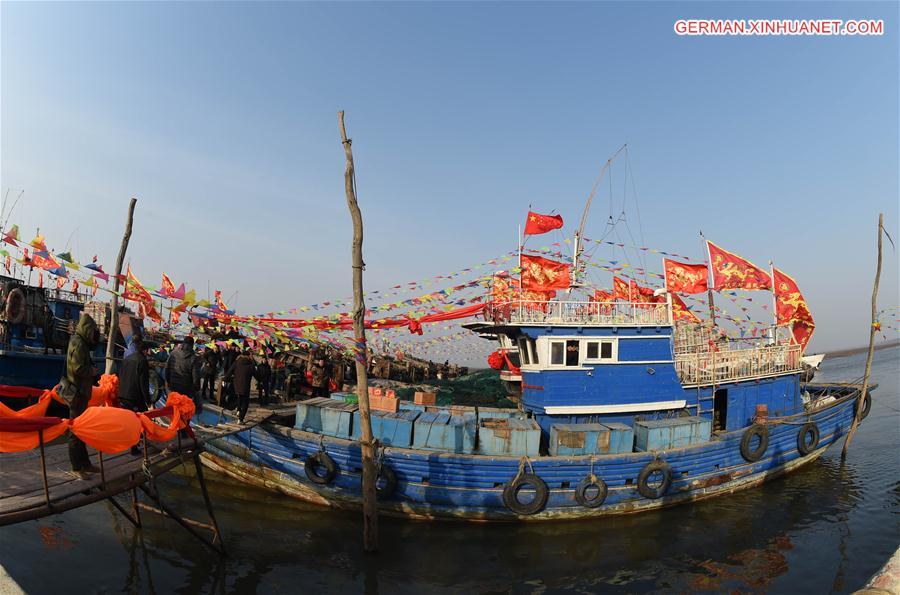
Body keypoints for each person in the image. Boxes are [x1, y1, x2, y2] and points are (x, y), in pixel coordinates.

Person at [59, 313, 101, 475]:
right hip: (77, 393)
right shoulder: (78, 343)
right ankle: (76, 467)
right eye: (91, 331)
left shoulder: (79, 341)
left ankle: (85, 463)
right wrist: (91, 370)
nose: (93, 334)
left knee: (82, 429)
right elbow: (77, 368)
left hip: (81, 392)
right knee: (75, 431)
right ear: (86, 329)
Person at [119, 337, 150, 455]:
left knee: (128, 421)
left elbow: (121, 375)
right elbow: (144, 383)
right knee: (141, 421)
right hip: (135, 397)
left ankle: (130, 443)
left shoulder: (127, 359)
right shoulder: (142, 361)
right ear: (146, 350)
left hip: (123, 394)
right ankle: (134, 447)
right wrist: (148, 399)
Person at [166, 336, 202, 421]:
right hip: (187, 389)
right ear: (192, 345)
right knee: (185, 412)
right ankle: (183, 430)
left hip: (174, 386)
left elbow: (167, 369)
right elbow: (196, 377)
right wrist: (196, 389)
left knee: (175, 409)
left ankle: (176, 427)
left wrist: (168, 383)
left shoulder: (173, 353)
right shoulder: (193, 358)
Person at [225, 348, 256, 423]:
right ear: (248, 356)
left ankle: (238, 410)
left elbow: (229, 371)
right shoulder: (251, 365)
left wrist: (225, 379)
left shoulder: (237, 362)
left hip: (237, 384)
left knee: (240, 397)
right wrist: (261, 381)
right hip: (245, 386)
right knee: (245, 402)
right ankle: (240, 419)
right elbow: (256, 375)